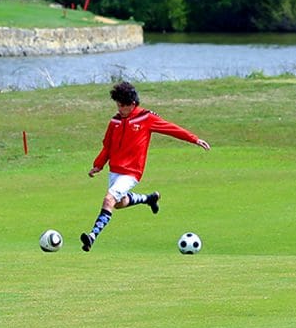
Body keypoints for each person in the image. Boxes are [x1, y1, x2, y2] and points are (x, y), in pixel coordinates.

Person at [81, 81, 210, 252]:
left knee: (108, 200)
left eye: (121, 105)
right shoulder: (115, 121)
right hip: (115, 170)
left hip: (132, 172)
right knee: (118, 203)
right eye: (117, 105)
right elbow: (108, 147)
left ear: (132, 104)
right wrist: (98, 165)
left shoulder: (146, 118)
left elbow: (171, 128)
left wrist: (194, 139)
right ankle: (149, 199)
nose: (119, 109)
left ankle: (92, 236)